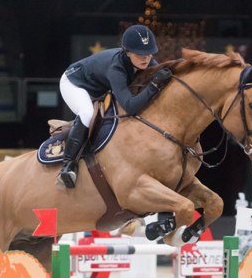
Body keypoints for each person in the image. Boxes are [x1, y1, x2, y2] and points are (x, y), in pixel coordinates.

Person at [56, 24, 172, 188]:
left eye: (149, 52)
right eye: (140, 54)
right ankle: (68, 165)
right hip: (75, 83)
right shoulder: (116, 68)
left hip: (99, 87)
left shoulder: (148, 61)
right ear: (128, 52)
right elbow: (131, 107)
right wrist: (154, 85)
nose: (146, 58)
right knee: (87, 113)